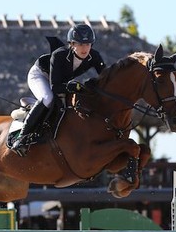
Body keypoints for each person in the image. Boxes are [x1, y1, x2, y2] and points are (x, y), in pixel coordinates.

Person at [11, 24, 106, 156]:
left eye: (88, 44)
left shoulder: (94, 56)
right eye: (80, 44)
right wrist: (72, 86)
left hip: (58, 81)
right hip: (39, 75)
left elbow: (106, 76)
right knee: (48, 98)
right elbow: (55, 87)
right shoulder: (59, 55)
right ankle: (22, 137)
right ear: (72, 44)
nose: (85, 48)